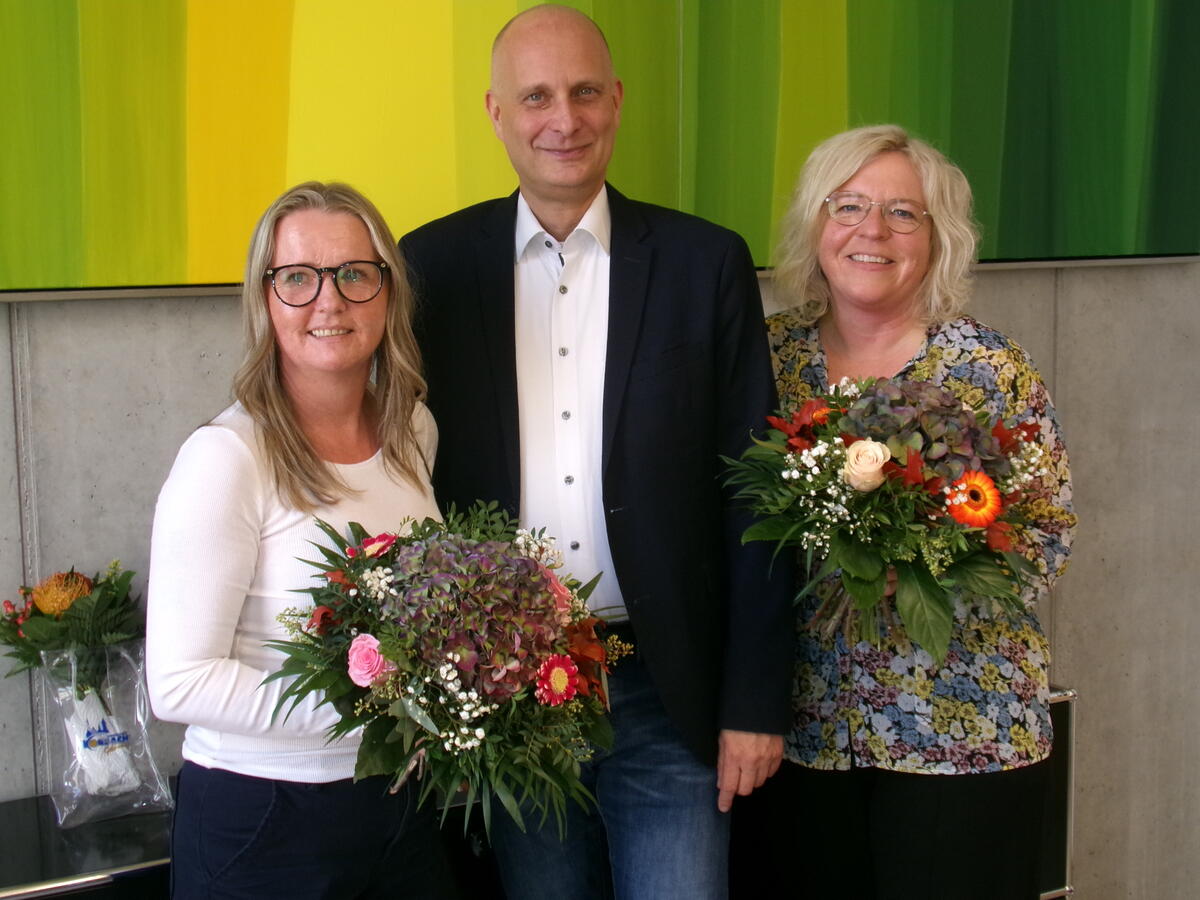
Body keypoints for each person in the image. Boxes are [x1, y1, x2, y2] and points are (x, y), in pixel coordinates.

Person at [399, 5, 794, 898]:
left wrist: (754, 702)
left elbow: (757, 498)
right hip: (508, 693)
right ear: (497, 113)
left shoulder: (706, 264)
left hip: (667, 688)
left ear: (617, 101)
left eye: (583, 92)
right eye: (535, 96)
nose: (563, 119)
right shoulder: (429, 269)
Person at [756, 125, 1076, 899]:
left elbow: (1046, 532)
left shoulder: (987, 368)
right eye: (850, 206)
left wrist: (924, 564)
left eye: (903, 213)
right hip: (799, 735)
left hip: (963, 730)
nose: (873, 231)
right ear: (814, 223)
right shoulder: (766, 359)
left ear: (940, 240)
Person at [147, 182, 454, 899]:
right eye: (298, 278)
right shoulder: (227, 457)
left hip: (397, 806)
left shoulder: (414, 431)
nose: (330, 301)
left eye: (355, 273)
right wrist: (376, 708)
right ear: (265, 299)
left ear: (388, 292)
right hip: (264, 823)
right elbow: (177, 682)